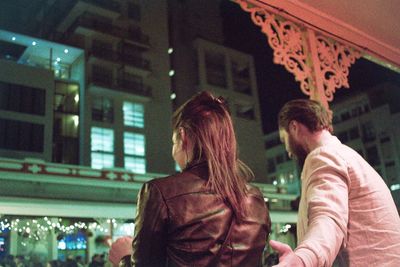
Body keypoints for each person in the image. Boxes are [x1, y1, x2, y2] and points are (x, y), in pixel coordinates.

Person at [109, 91, 271, 266]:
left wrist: (124, 258)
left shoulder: (160, 192)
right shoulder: (255, 199)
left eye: (173, 142)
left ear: (183, 136)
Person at [270, 99, 400, 266]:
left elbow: (328, 219)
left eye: (284, 140)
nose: (288, 151)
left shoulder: (323, 157)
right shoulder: (346, 155)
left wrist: (302, 260)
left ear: (294, 127)